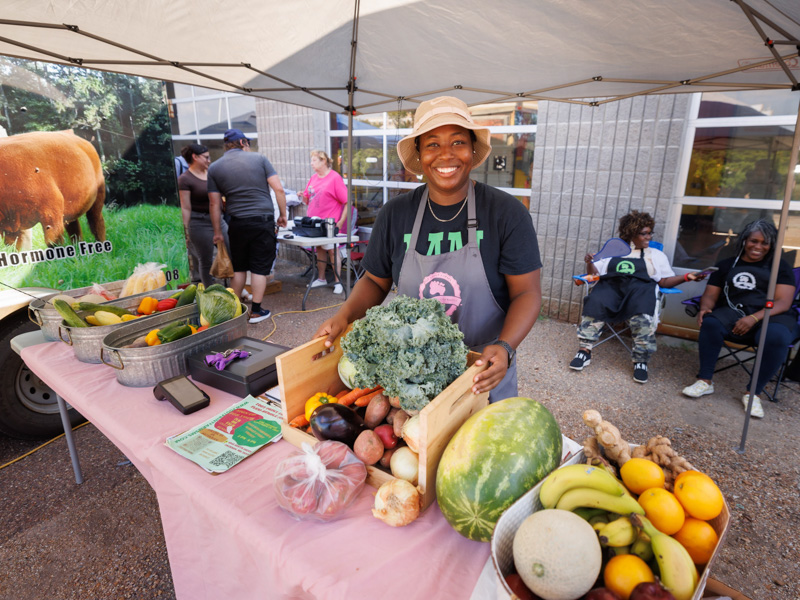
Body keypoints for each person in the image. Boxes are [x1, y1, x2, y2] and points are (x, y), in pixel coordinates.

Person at [313, 96, 542, 401]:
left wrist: (505, 346)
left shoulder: (506, 213)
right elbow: (374, 279)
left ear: (472, 151)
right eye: (432, 144)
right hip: (412, 377)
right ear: (419, 155)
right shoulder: (395, 214)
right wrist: (345, 315)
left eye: (458, 142)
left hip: (483, 371)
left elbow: (527, 293)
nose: (446, 155)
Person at [569, 211, 706, 383]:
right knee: (595, 301)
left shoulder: (655, 255)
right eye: (644, 233)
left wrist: (687, 277)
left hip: (640, 290)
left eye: (650, 233)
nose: (648, 237)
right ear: (631, 233)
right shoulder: (614, 251)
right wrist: (589, 262)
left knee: (643, 313)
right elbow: (594, 275)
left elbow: (663, 281)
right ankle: (585, 350)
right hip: (611, 287)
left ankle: (641, 360)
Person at [681, 219, 799, 419]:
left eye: (765, 243)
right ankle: (705, 381)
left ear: (771, 245)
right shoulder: (727, 264)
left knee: (776, 336)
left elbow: (782, 302)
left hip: (771, 314)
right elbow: (710, 294)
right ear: (744, 240)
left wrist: (754, 318)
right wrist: (705, 309)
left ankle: (753, 393)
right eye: (754, 241)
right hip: (734, 310)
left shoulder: (781, 268)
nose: (758, 247)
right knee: (711, 322)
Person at [208, 129, 288, 324]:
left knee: (240, 268)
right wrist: (283, 214)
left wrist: (218, 232)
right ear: (242, 142)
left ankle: (234, 311)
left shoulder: (214, 168)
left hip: (236, 223)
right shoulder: (259, 159)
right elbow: (278, 188)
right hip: (262, 221)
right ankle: (257, 312)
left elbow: (214, 204)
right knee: (259, 269)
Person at [177, 144, 230, 287]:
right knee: (205, 260)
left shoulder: (212, 173)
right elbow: (186, 207)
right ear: (194, 157)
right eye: (206, 157)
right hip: (199, 222)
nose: (209, 160)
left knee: (230, 254)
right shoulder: (185, 179)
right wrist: (185, 231)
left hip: (219, 220)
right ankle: (210, 292)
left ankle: (235, 289)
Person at [302, 150, 348, 294]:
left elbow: (347, 201)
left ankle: (338, 281)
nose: (311, 163)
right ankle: (321, 278)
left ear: (323, 161)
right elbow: (307, 199)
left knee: (332, 251)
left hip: (329, 224)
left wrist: (340, 221)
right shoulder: (313, 178)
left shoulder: (335, 178)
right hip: (315, 223)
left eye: (314, 160)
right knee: (320, 250)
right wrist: (302, 196)